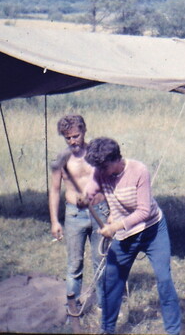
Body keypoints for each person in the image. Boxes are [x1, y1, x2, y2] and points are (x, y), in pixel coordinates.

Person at [78, 137, 181, 335]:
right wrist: (84, 199)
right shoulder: (100, 171)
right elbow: (90, 191)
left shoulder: (139, 171)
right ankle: (107, 329)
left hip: (152, 231)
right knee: (112, 281)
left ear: (116, 159)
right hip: (125, 236)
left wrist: (115, 226)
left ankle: (174, 331)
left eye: (103, 167)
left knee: (164, 279)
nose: (100, 171)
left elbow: (144, 211)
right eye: (98, 168)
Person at [49, 114, 109, 308]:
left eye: (76, 136)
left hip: (100, 211)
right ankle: (73, 309)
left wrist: (114, 213)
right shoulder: (61, 159)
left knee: (101, 261)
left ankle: (103, 307)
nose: (73, 141)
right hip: (74, 215)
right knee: (74, 264)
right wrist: (55, 221)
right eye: (68, 138)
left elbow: (111, 181)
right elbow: (55, 190)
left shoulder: (97, 153)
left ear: (84, 131)